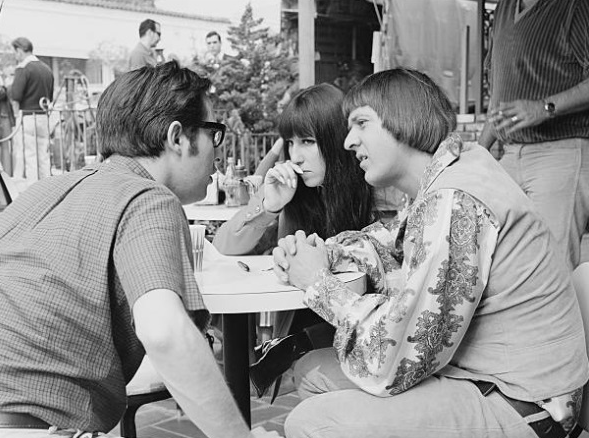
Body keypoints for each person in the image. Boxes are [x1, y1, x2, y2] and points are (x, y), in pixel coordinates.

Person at [274, 68, 588, 438]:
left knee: (310, 422)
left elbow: (401, 353)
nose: (348, 142)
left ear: (402, 119)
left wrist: (317, 283)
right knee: (312, 372)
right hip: (478, 377)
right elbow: (391, 244)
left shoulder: (458, 198)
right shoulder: (450, 172)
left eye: (361, 123)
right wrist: (325, 253)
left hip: (522, 404)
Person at [0, 61, 279, 438]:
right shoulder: (148, 198)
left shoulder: (41, 192)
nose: (217, 151)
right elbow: (165, 332)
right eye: (213, 133)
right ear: (177, 137)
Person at [213, 83, 376, 399]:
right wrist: (269, 206)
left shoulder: (371, 185)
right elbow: (224, 248)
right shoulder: (292, 192)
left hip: (361, 330)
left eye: (308, 142)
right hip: (303, 322)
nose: (296, 156)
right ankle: (278, 356)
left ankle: (284, 355)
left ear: (336, 140)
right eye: (290, 143)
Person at [478, 0, 589, 271]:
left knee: (552, 267)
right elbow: (498, 98)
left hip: (561, 153)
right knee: (501, 261)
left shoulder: (575, 6)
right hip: (510, 153)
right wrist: (479, 151)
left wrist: (544, 107)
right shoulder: (504, 8)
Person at [9, 37, 53, 182]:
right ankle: (47, 187)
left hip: (27, 116)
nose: (15, 55)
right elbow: (50, 96)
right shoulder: (47, 69)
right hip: (43, 116)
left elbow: (16, 95)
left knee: (30, 156)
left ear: (20, 51)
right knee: (43, 156)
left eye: (15, 52)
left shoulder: (23, 68)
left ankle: (33, 188)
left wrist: (16, 116)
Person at [0, 74, 15, 175]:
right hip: (4, 116)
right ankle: (7, 175)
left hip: (4, 116)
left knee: (6, 148)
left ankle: (6, 175)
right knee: (6, 148)